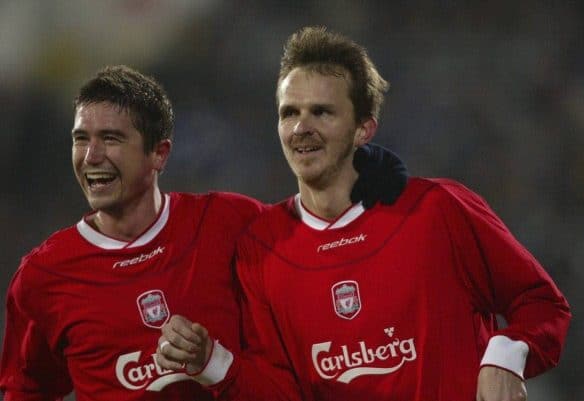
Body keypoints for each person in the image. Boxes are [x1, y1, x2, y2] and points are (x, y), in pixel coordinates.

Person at [156, 26, 572, 401]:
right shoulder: (261, 248)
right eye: (289, 113)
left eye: (321, 112)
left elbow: (541, 303)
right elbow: (282, 391)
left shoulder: (437, 209)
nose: (301, 128)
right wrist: (210, 361)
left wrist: (504, 354)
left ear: (363, 129)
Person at [0, 65, 407, 400]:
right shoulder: (43, 277)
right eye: (81, 139)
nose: (91, 157)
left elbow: (325, 239)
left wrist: (380, 180)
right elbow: (25, 388)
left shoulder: (229, 223)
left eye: (111, 139)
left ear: (159, 153)